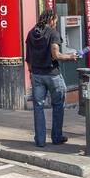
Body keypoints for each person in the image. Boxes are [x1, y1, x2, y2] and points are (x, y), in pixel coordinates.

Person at [24, 9, 78, 149]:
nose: (56, 23)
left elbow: (28, 57)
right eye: (55, 20)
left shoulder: (31, 33)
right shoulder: (53, 33)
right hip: (52, 74)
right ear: (51, 20)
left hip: (36, 75)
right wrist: (70, 57)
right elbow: (56, 55)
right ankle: (57, 137)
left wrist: (31, 72)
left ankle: (40, 140)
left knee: (38, 107)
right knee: (58, 105)